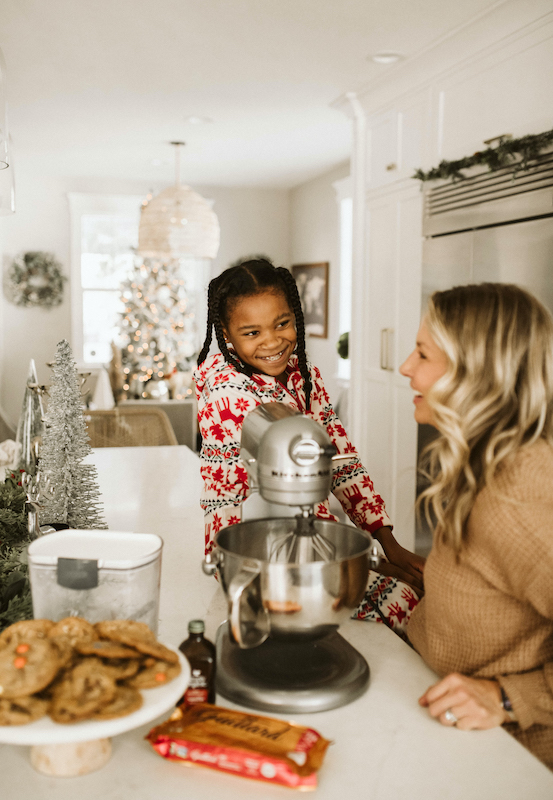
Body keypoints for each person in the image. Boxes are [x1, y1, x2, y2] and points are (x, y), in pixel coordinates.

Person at [194, 257, 424, 629]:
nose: (272, 342)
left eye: (282, 323)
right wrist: (368, 566)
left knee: (413, 595)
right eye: (252, 333)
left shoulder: (303, 375)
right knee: (406, 601)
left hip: (303, 535)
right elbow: (294, 498)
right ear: (226, 332)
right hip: (250, 555)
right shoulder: (230, 397)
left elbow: (340, 459)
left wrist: (388, 542)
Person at [400, 282, 553, 770]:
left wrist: (508, 697)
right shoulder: (485, 463)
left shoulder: (519, 496)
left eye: (422, 354)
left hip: (507, 757)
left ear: (476, 374)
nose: (406, 367)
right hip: (433, 703)